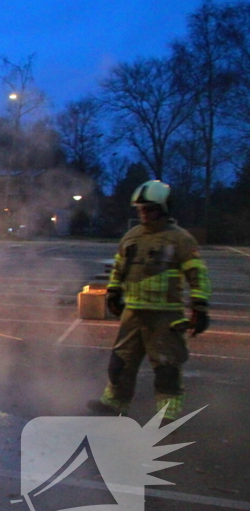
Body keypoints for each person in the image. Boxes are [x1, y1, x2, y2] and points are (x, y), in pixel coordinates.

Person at [88, 180, 211, 421]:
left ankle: (168, 416)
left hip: (166, 315)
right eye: (141, 209)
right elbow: (118, 268)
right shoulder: (131, 237)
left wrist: (200, 307)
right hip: (133, 313)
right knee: (120, 363)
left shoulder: (180, 240)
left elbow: (197, 275)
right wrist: (113, 292)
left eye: (150, 209)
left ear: (165, 209)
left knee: (167, 368)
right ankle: (114, 403)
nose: (145, 214)